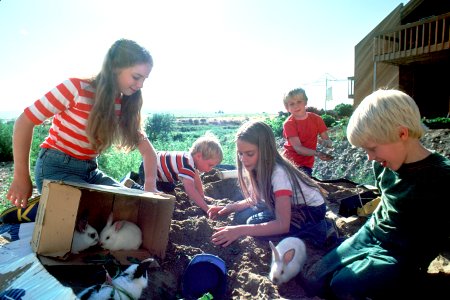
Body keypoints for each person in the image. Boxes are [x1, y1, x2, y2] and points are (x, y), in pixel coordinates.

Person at [305, 89, 450, 299]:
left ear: (402, 134)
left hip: (402, 253)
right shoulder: (384, 164)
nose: (369, 157)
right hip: (371, 234)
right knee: (313, 281)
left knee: (344, 286)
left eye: (372, 148)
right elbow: (383, 197)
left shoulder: (442, 176)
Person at [6, 39, 158, 209]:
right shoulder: (76, 88)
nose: (141, 85)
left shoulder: (123, 104)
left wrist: (150, 186)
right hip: (57, 167)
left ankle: (49, 207)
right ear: (115, 67)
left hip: (90, 172)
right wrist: (21, 177)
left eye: (144, 79)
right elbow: (24, 121)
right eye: (136, 77)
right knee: (91, 215)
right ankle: (38, 211)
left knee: (130, 207)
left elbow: (148, 151)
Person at [208, 121, 330, 248]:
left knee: (253, 222)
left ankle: (317, 230)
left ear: (265, 150)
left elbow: (282, 225)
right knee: (242, 216)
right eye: (240, 153)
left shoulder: (278, 174)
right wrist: (231, 207)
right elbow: (257, 198)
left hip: (311, 209)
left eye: (250, 154)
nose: (243, 159)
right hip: (293, 204)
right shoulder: (260, 167)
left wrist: (238, 230)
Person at [134, 132, 223, 214]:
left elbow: (196, 179)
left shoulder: (189, 160)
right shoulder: (187, 164)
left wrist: (202, 196)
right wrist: (207, 208)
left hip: (161, 173)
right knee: (156, 197)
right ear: (199, 156)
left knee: (170, 188)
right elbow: (190, 190)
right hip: (148, 169)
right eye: (210, 165)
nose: (210, 169)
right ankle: (135, 187)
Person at [282, 88, 333, 176]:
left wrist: (326, 143)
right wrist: (318, 153)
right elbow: (298, 148)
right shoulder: (289, 124)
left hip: (307, 163)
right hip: (289, 163)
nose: (296, 106)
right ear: (287, 108)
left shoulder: (317, 119)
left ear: (305, 102)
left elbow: (327, 141)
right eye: (292, 104)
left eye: (299, 101)